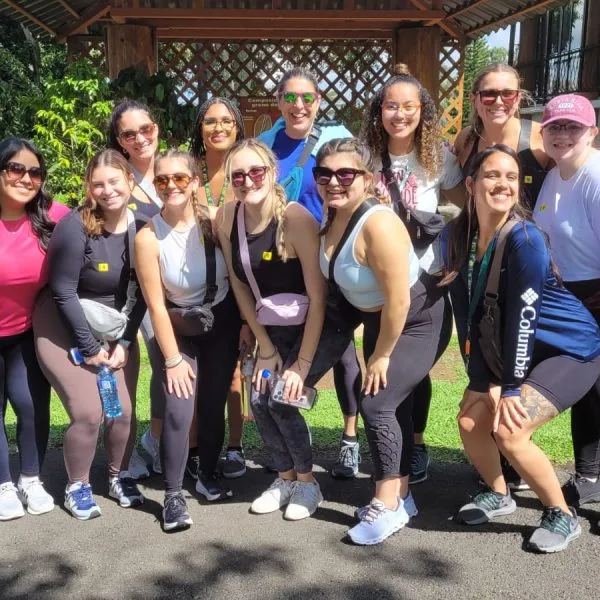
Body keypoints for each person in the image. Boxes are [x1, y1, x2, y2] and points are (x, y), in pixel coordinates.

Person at [442, 144, 600, 553]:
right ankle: (499, 493)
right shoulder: (459, 235)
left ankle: (562, 515)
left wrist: (509, 386)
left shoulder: (525, 239)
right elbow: (469, 313)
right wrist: (480, 379)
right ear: (472, 184)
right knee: (470, 421)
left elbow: (523, 317)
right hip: (521, 349)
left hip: (571, 349)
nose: (503, 184)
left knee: (510, 432)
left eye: (511, 177)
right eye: (492, 175)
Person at [317, 138, 442, 545]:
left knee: (377, 402)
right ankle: (402, 497)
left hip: (416, 319)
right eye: (324, 174)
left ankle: (386, 504)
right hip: (379, 321)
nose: (334, 182)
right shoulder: (331, 216)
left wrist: (383, 354)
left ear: (367, 179)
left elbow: (399, 299)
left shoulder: (378, 223)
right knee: (393, 405)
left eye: (345, 174)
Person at [218, 138, 351, 521]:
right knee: (260, 400)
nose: (247, 181)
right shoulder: (227, 218)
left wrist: (300, 365)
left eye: (256, 171)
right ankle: (285, 477)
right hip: (272, 326)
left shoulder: (296, 220)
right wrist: (265, 347)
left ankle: (308, 483)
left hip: (321, 325)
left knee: (282, 399)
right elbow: (240, 287)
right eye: (238, 175)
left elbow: (319, 298)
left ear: (272, 172)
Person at [259, 67, 363, 479]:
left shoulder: (336, 139)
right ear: (278, 102)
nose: (298, 105)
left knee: (346, 355)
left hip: (334, 257)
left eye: (307, 97)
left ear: (319, 100)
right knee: (293, 349)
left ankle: (350, 439)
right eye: (289, 97)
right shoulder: (267, 144)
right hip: (287, 265)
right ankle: (289, 442)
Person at [360, 63, 461, 483]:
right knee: (379, 368)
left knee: (415, 373)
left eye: (409, 107)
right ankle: (390, 455)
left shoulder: (439, 157)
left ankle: (415, 445)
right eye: (391, 106)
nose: (399, 115)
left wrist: (454, 251)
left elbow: (464, 206)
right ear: (378, 110)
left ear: (422, 111)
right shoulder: (364, 157)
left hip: (425, 280)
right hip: (380, 283)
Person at [34, 149, 147, 520]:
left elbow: (146, 291)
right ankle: (77, 486)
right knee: (88, 412)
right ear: (88, 187)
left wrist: (125, 342)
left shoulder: (144, 226)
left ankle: (119, 475)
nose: (108, 190)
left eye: (115, 181)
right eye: (98, 184)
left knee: (122, 411)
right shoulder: (74, 226)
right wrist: (89, 348)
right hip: (63, 323)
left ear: (130, 181)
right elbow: (62, 291)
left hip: (114, 326)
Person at [135, 150, 240, 532]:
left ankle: (207, 474)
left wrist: (247, 325)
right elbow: (156, 306)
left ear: (195, 182)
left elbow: (239, 278)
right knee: (179, 408)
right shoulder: (148, 237)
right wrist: (172, 359)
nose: (171, 186)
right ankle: (173, 496)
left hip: (222, 321)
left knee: (212, 403)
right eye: (162, 180)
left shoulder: (215, 221)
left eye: (180, 178)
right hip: (179, 326)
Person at [532, 94, 600, 510]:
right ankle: (589, 477)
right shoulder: (556, 174)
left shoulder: (595, 176)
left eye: (572, 127)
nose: (562, 134)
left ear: (592, 131)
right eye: (555, 126)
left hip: (595, 295)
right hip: (566, 297)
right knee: (590, 392)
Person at [0, 138, 69, 520]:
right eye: (16, 168)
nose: (26, 178)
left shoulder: (52, 215)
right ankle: (3, 485)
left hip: (26, 333)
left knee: (30, 405)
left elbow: (98, 222)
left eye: (35, 172)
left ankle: (30, 478)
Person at [190, 97, 253, 479]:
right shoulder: (188, 172)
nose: (218, 128)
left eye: (227, 121)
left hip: (238, 288)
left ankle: (235, 447)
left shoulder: (247, 174)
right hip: (193, 289)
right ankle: (196, 446)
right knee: (196, 374)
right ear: (199, 129)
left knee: (233, 374)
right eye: (210, 121)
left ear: (238, 127)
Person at [109, 99, 163, 477]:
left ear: (156, 127)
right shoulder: (115, 176)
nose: (140, 138)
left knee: (169, 362)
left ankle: (157, 440)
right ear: (119, 140)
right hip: (129, 288)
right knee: (131, 362)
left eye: (146, 129)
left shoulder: (176, 167)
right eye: (129, 134)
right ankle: (127, 451)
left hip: (175, 286)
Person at [455, 62, 551, 212]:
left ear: (518, 99)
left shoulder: (541, 136)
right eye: (489, 94)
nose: (499, 102)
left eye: (508, 94)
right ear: (473, 99)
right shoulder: (466, 139)